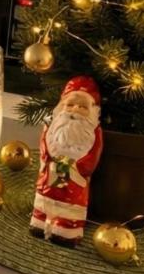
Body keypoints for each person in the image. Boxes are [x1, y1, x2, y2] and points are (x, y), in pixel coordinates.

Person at [29, 75, 103, 245]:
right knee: (45, 198)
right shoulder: (51, 125)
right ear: (61, 106)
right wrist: (47, 159)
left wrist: (78, 167)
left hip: (75, 177)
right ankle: (39, 221)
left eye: (82, 106)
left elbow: (93, 155)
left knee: (70, 205)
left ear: (93, 111)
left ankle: (65, 230)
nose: (75, 109)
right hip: (50, 171)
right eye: (70, 105)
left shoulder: (93, 132)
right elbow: (44, 144)